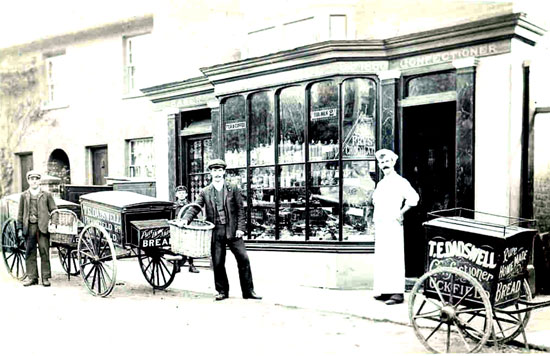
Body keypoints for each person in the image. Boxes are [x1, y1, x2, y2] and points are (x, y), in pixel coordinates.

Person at [182, 159, 261, 301]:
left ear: (224, 172)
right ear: (210, 173)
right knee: (218, 262)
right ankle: (222, 291)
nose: (217, 173)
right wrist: (185, 219)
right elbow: (195, 207)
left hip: (233, 230)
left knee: (244, 259)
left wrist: (241, 228)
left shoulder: (233, 188)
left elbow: (240, 210)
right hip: (216, 231)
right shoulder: (205, 191)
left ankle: (248, 291)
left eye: (219, 170)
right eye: (214, 170)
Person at [372, 149, 419, 305]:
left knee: (394, 257)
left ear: (393, 163)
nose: (385, 164)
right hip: (381, 224)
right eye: (382, 162)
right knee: (383, 257)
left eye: (388, 161)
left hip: (393, 223)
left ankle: (397, 294)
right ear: (379, 165)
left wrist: (401, 213)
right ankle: (385, 290)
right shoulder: (381, 184)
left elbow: (414, 198)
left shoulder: (401, 182)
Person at [17, 170, 57, 287]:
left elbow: (54, 211)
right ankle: (32, 277)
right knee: (30, 252)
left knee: (44, 251)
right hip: (29, 228)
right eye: (32, 179)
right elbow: (20, 214)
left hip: (43, 228)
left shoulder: (47, 195)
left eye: (36, 179)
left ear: (39, 181)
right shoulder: (24, 196)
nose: (34, 181)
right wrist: (20, 228)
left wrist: (53, 223)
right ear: (28, 181)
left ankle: (45, 277)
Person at [173, 185, 199, 273]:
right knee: (177, 246)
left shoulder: (190, 206)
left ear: (186, 194)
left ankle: (191, 265)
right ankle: (176, 265)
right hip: (178, 230)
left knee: (190, 246)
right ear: (176, 195)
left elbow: (195, 217)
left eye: (183, 193)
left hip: (189, 229)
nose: (181, 195)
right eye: (179, 193)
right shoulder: (173, 206)